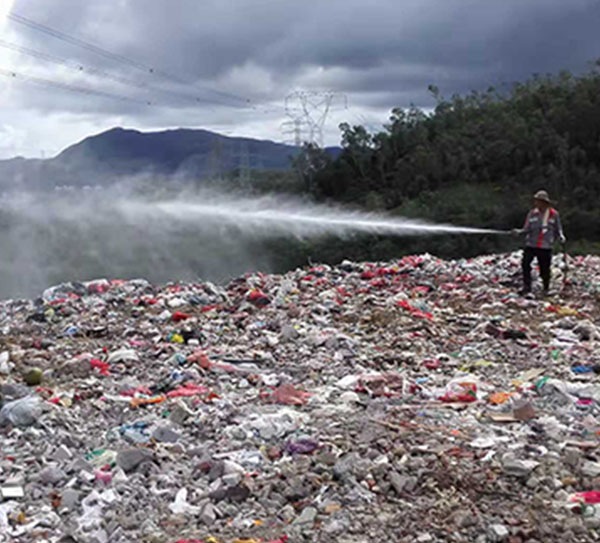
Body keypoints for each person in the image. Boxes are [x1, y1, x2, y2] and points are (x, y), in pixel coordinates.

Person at [512, 190, 566, 296]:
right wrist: (519, 232)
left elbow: (558, 229)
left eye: (538, 201)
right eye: (536, 201)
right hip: (531, 244)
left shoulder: (553, 214)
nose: (536, 203)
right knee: (525, 264)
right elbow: (526, 228)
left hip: (545, 245)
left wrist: (561, 237)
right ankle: (527, 287)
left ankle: (546, 287)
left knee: (544, 268)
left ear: (544, 202)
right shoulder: (532, 213)